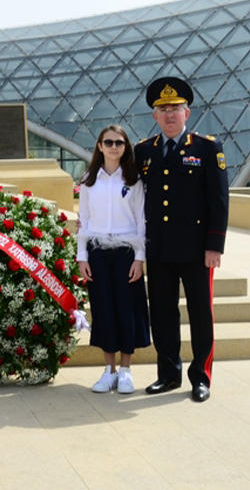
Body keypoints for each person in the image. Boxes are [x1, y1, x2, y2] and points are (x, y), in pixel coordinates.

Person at [134, 77, 229, 403]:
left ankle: (200, 377)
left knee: (201, 314)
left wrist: (214, 246)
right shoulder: (144, 151)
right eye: (163, 109)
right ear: (154, 116)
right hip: (159, 248)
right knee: (162, 313)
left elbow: (218, 200)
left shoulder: (206, 148)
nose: (169, 114)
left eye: (175, 108)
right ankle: (168, 374)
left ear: (187, 112)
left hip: (196, 249)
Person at [77, 125, 150, 394]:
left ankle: (127, 371)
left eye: (119, 142)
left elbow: (142, 220)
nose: (113, 147)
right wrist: (82, 257)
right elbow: (83, 220)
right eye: (108, 142)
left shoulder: (134, 180)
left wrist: (139, 258)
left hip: (126, 251)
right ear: (99, 146)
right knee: (104, 309)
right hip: (97, 251)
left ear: (125, 147)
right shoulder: (88, 181)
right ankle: (108, 371)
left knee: (128, 310)